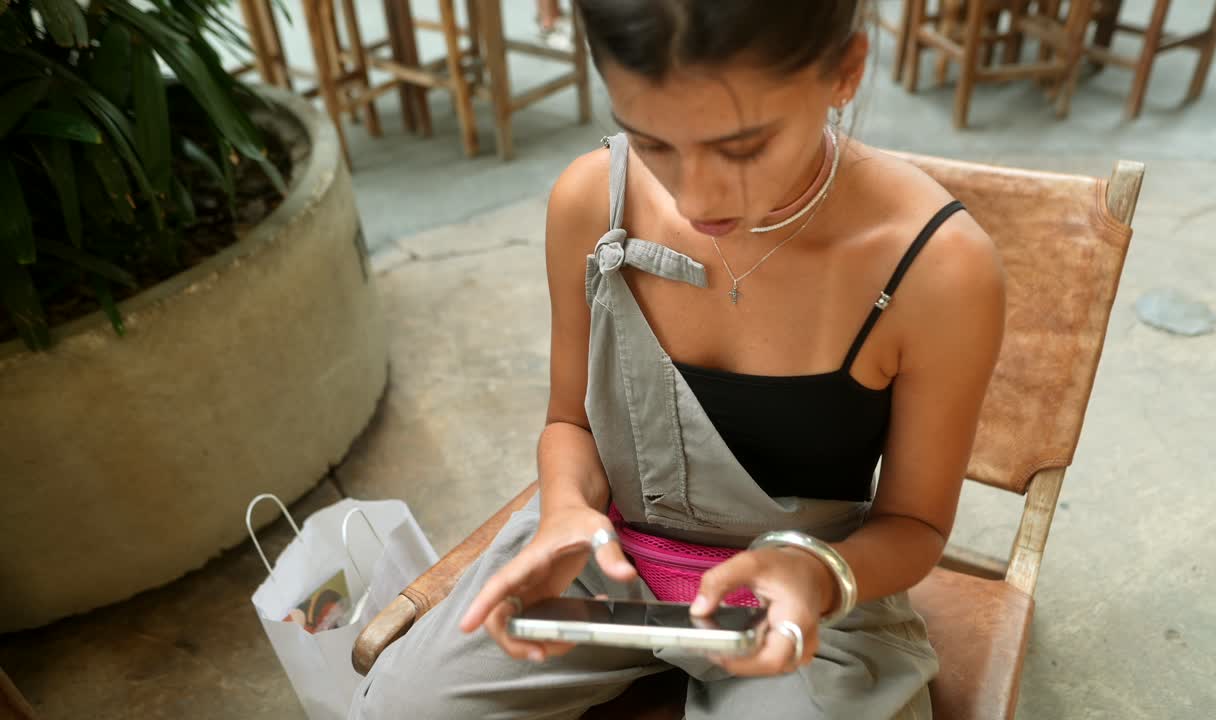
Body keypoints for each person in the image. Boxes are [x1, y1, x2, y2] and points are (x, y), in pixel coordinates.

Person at [351, 1, 1005, 718]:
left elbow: (915, 527)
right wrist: (566, 510)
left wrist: (819, 575)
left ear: (845, 71)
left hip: (803, 595)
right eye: (650, 141)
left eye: (744, 146)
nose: (695, 199)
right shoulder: (592, 200)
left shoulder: (936, 268)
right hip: (603, 560)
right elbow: (570, 420)